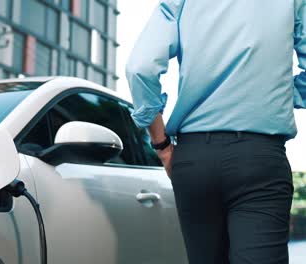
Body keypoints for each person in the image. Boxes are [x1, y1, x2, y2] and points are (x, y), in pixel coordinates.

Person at [126, 0, 306, 263]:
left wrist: (162, 146)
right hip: (259, 157)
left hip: (194, 159)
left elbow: (140, 67)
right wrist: (273, 92)